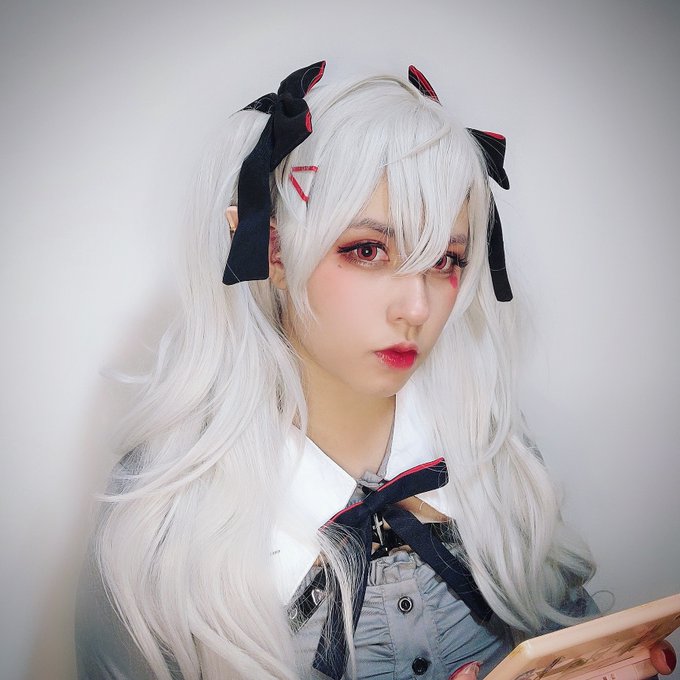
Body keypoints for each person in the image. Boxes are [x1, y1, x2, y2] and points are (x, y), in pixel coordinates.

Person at [75, 62, 676, 680]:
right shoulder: (160, 518)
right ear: (271, 249)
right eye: (367, 250)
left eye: (445, 260)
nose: (417, 307)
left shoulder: (490, 448)